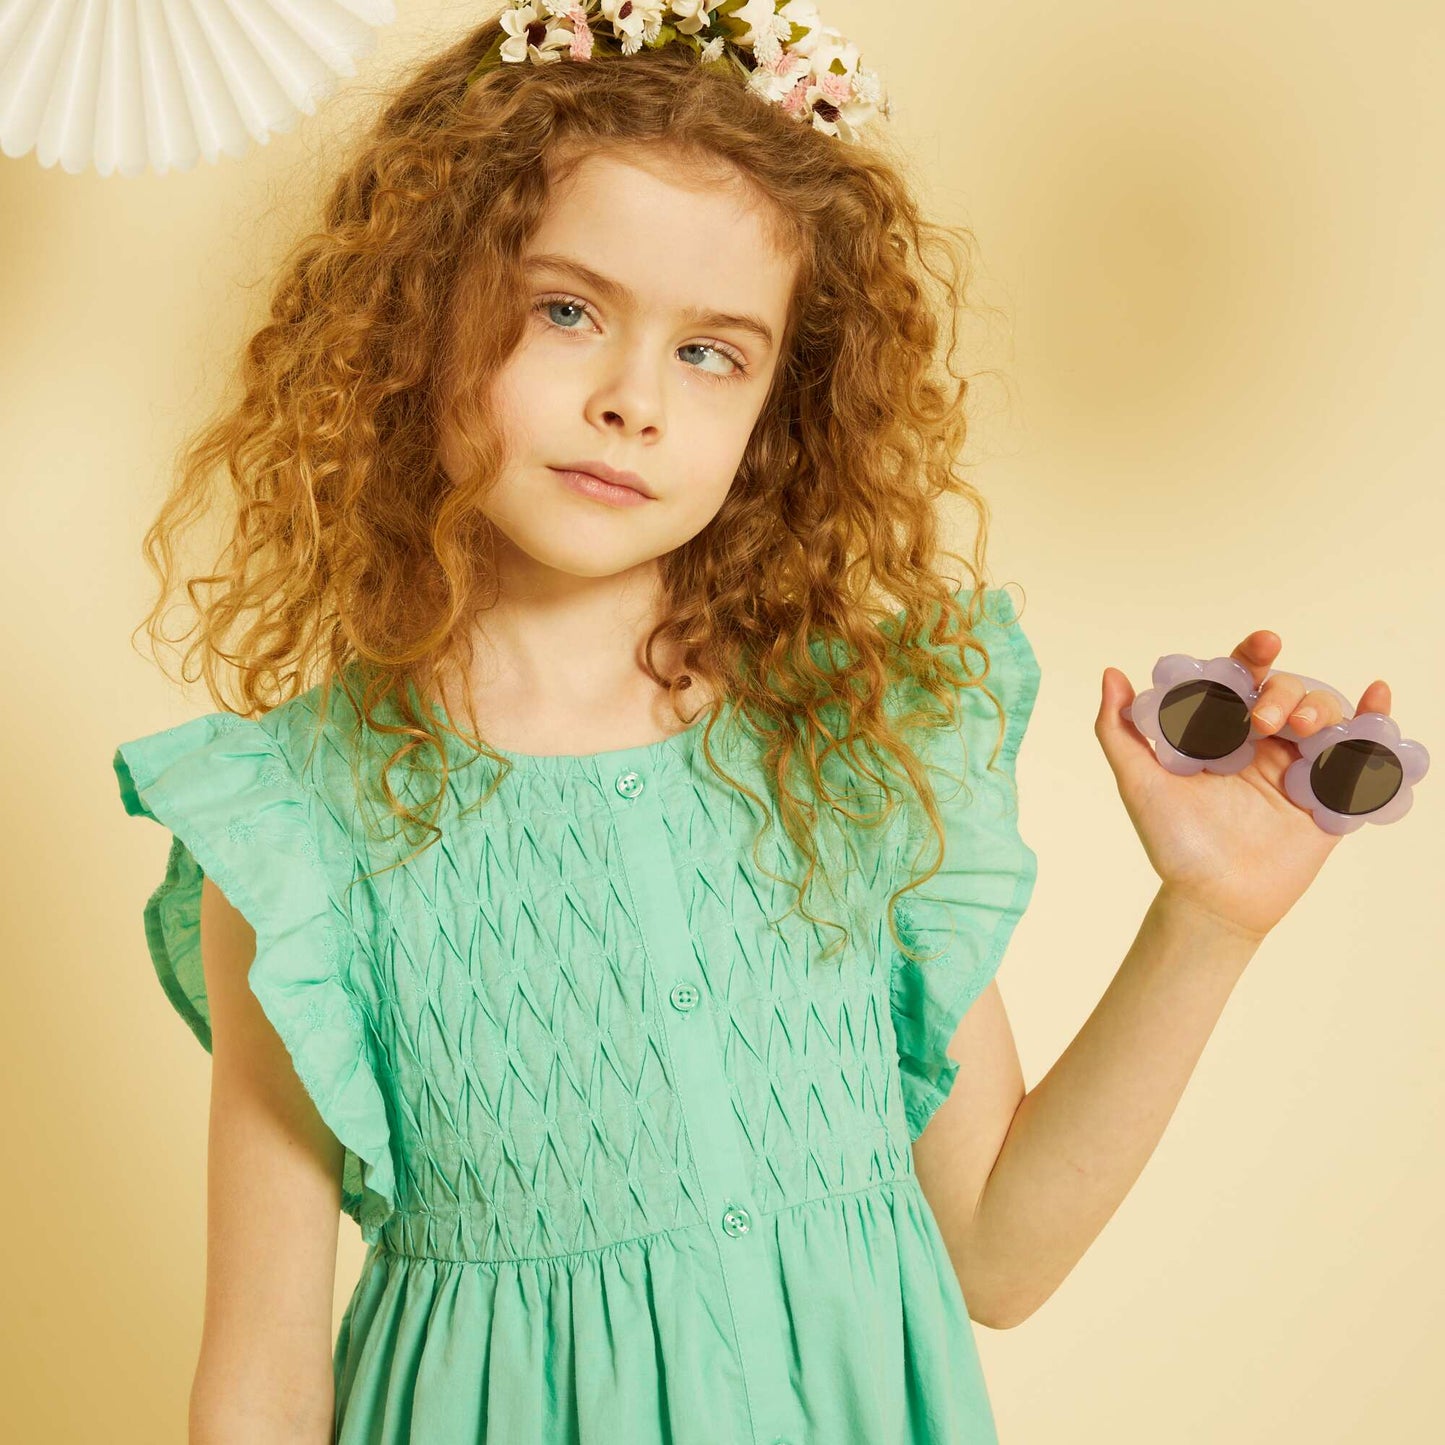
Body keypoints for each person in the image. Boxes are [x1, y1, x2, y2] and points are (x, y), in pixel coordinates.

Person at [111, 5, 1387, 1442]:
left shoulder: (849, 745)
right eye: (566, 310)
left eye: (712, 352)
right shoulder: (289, 828)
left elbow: (996, 1253)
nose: (632, 402)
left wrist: (1207, 920)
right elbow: (263, 1380)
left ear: (784, 406)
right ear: (416, 314)